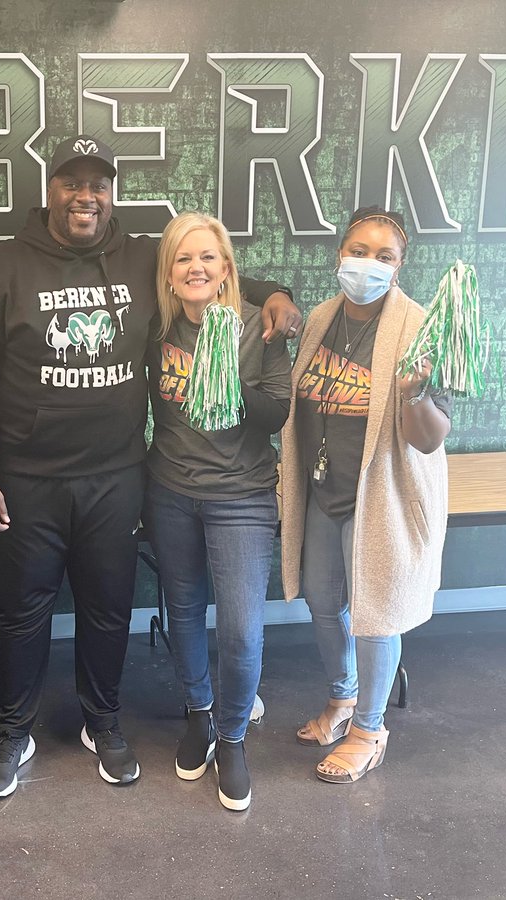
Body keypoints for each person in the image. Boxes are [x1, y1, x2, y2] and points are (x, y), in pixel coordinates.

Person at [0, 136, 301, 799]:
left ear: (113, 191)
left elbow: (206, 275)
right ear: (50, 189)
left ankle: (103, 721)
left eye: (99, 183)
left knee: (109, 609)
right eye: (72, 183)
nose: (87, 196)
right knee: (22, 612)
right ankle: (13, 731)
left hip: (117, 475)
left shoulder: (140, 258)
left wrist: (274, 292)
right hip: (26, 477)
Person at [280, 206, 451, 784]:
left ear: (400, 268)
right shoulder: (324, 318)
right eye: (359, 251)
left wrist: (412, 395)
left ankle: (370, 729)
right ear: (339, 256)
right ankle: (343, 697)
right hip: (323, 492)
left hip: (381, 498)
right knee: (324, 604)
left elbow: (430, 440)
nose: (368, 264)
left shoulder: (418, 330)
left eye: (385, 256)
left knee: (376, 615)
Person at [142, 213, 292, 811]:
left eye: (207, 258)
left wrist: (228, 376)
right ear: (169, 275)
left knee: (239, 628)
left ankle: (233, 737)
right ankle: (199, 715)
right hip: (170, 490)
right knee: (182, 611)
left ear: (227, 269)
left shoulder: (258, 329)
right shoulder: (158, 329)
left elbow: (277, 414)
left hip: (242, 498)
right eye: (183, 259)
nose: (196, 268)